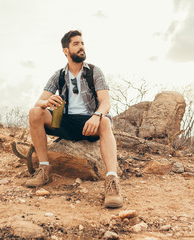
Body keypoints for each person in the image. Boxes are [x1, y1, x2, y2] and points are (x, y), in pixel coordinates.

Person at [26, 30, 123, 208]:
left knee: (106, 121)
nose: (81, 47)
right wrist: (47, 102)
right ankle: (44, 169)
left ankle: (112, 182)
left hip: (89, 123)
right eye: (76, 44)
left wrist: (96, 116)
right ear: (65, 50)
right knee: (35, 112)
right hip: (65, 122)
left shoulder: (94, 71)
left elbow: (105, 102)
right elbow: (38, 101)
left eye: (82, 43)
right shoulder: (59, 75)